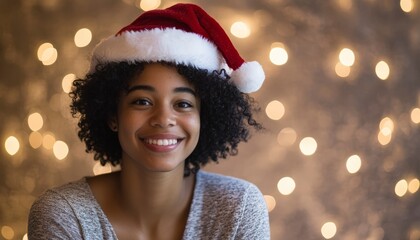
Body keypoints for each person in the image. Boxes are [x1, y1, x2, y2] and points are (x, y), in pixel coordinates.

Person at [28, 3, 269, 240]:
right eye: (142, 101)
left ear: (203, 117)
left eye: (183, 104)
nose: (163, 119)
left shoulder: (239, 208)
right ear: (113, 115)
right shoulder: (63, 214)